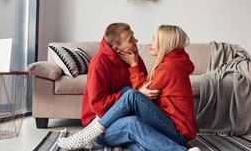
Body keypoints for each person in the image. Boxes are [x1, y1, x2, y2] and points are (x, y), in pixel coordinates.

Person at [58, 25, 200, 151]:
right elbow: (101, 105)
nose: (137, 41)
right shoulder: (99, 63)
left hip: (170, 128)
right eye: (131, 39)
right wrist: (135, 86)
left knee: (132, 110)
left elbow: (143, 94)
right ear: (116, 48)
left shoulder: (161, 65)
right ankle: (89, 134)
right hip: (101, 122)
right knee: (131, 101)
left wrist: (134, 66)